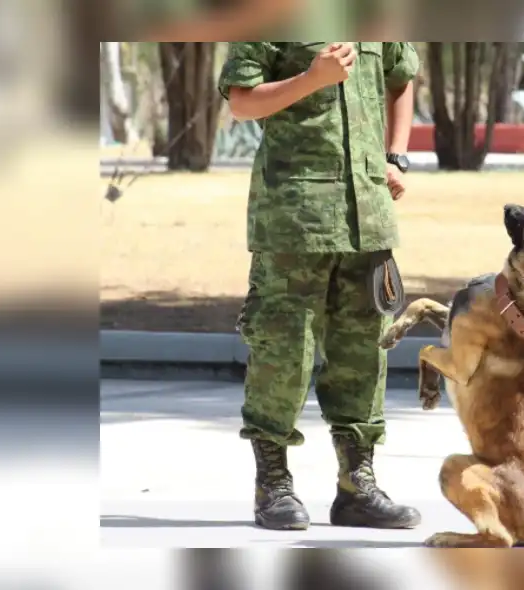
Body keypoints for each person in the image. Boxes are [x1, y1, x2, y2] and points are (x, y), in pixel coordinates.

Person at [217, 41, 420, 530]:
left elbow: (401, 77)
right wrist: (312, 78)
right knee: (283, 351)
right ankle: (274, 487)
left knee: (363, 353)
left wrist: (396, 156)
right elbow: (241, 101)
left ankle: (357, 487)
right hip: (295, 216)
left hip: (366, 215)